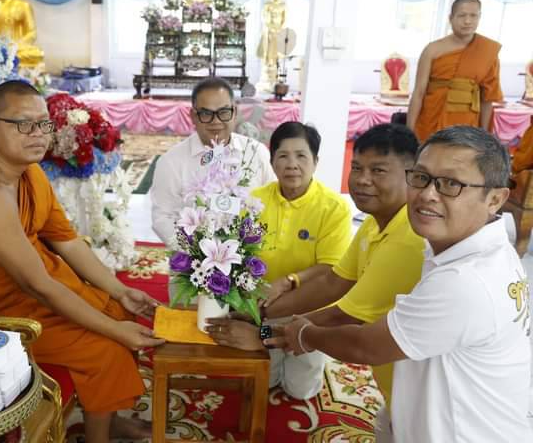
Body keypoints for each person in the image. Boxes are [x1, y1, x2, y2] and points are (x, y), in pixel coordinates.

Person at [0, 81, 164, 443]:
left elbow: (67, 241)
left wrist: (120, 290)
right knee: (107, 346)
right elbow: (38, 285)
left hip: (27, 288)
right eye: (23, 124)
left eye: (43, 123)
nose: (38, 134)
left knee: (116, 309)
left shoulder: (29, 172)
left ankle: (106, 421)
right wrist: (116, 332)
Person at [265, 126, 532, 442]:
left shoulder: (461, 278)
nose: (428, 193)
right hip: (420, 406)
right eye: (421, 177)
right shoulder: (457, 245)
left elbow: (360, 337)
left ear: (495, 198)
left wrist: (276, 330)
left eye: (451, 184)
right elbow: (335, 281)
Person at [208, 124, 423, 432]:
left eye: (378, 170)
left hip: (425, 393)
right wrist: (256, 312)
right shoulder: (373, 224)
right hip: (396, 382)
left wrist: (261, 333)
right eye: (357, 168)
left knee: (301, 389)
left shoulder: (405, 239)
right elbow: (333, 283)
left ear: (412, 176)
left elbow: (343, 316)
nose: (363, 180)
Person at [209, 121, 351, 399]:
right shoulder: (254, 200)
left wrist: (290, 281)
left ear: (315, 161)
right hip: (259, 307)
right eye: (283, 156)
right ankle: (270, 346)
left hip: (308, 308)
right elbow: (235, 251)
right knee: (266, 380)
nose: (292, 164)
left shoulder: (334, 208)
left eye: (301, 156)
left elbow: (330, 268)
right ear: (272, 162)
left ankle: (308, 352)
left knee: (300, 390)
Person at [150, 77, 276, 249]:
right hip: (194, 261)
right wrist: (196, 252)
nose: (216, 121)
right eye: (206, 113)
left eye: (223, 112)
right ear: (193, 116)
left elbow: (274, 204)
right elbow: (162, 218)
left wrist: (251, 248)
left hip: (251, 257)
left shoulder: (256, 153)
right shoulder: (171, 162)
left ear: (235, 112)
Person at [408, 0, 503, 142]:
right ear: (451, 18)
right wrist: (409, 131)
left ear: (479, 17)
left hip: (468, 123)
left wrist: (484, 135)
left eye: (473, 16)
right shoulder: (432, 49)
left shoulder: (488, 51)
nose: (467, 21)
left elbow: (487, 98)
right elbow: (418, 92)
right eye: (461, 15)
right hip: (433, 117)